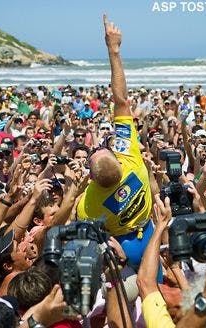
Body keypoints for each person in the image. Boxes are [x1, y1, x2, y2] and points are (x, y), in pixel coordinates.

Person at [76, 15, 154, 278]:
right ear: (118, 159)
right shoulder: (131, 158)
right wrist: (114, 50)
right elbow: (121, 101)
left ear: (90, 178)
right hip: (149, 233)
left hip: (124, 246)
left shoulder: (88, 203)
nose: (101, 144)